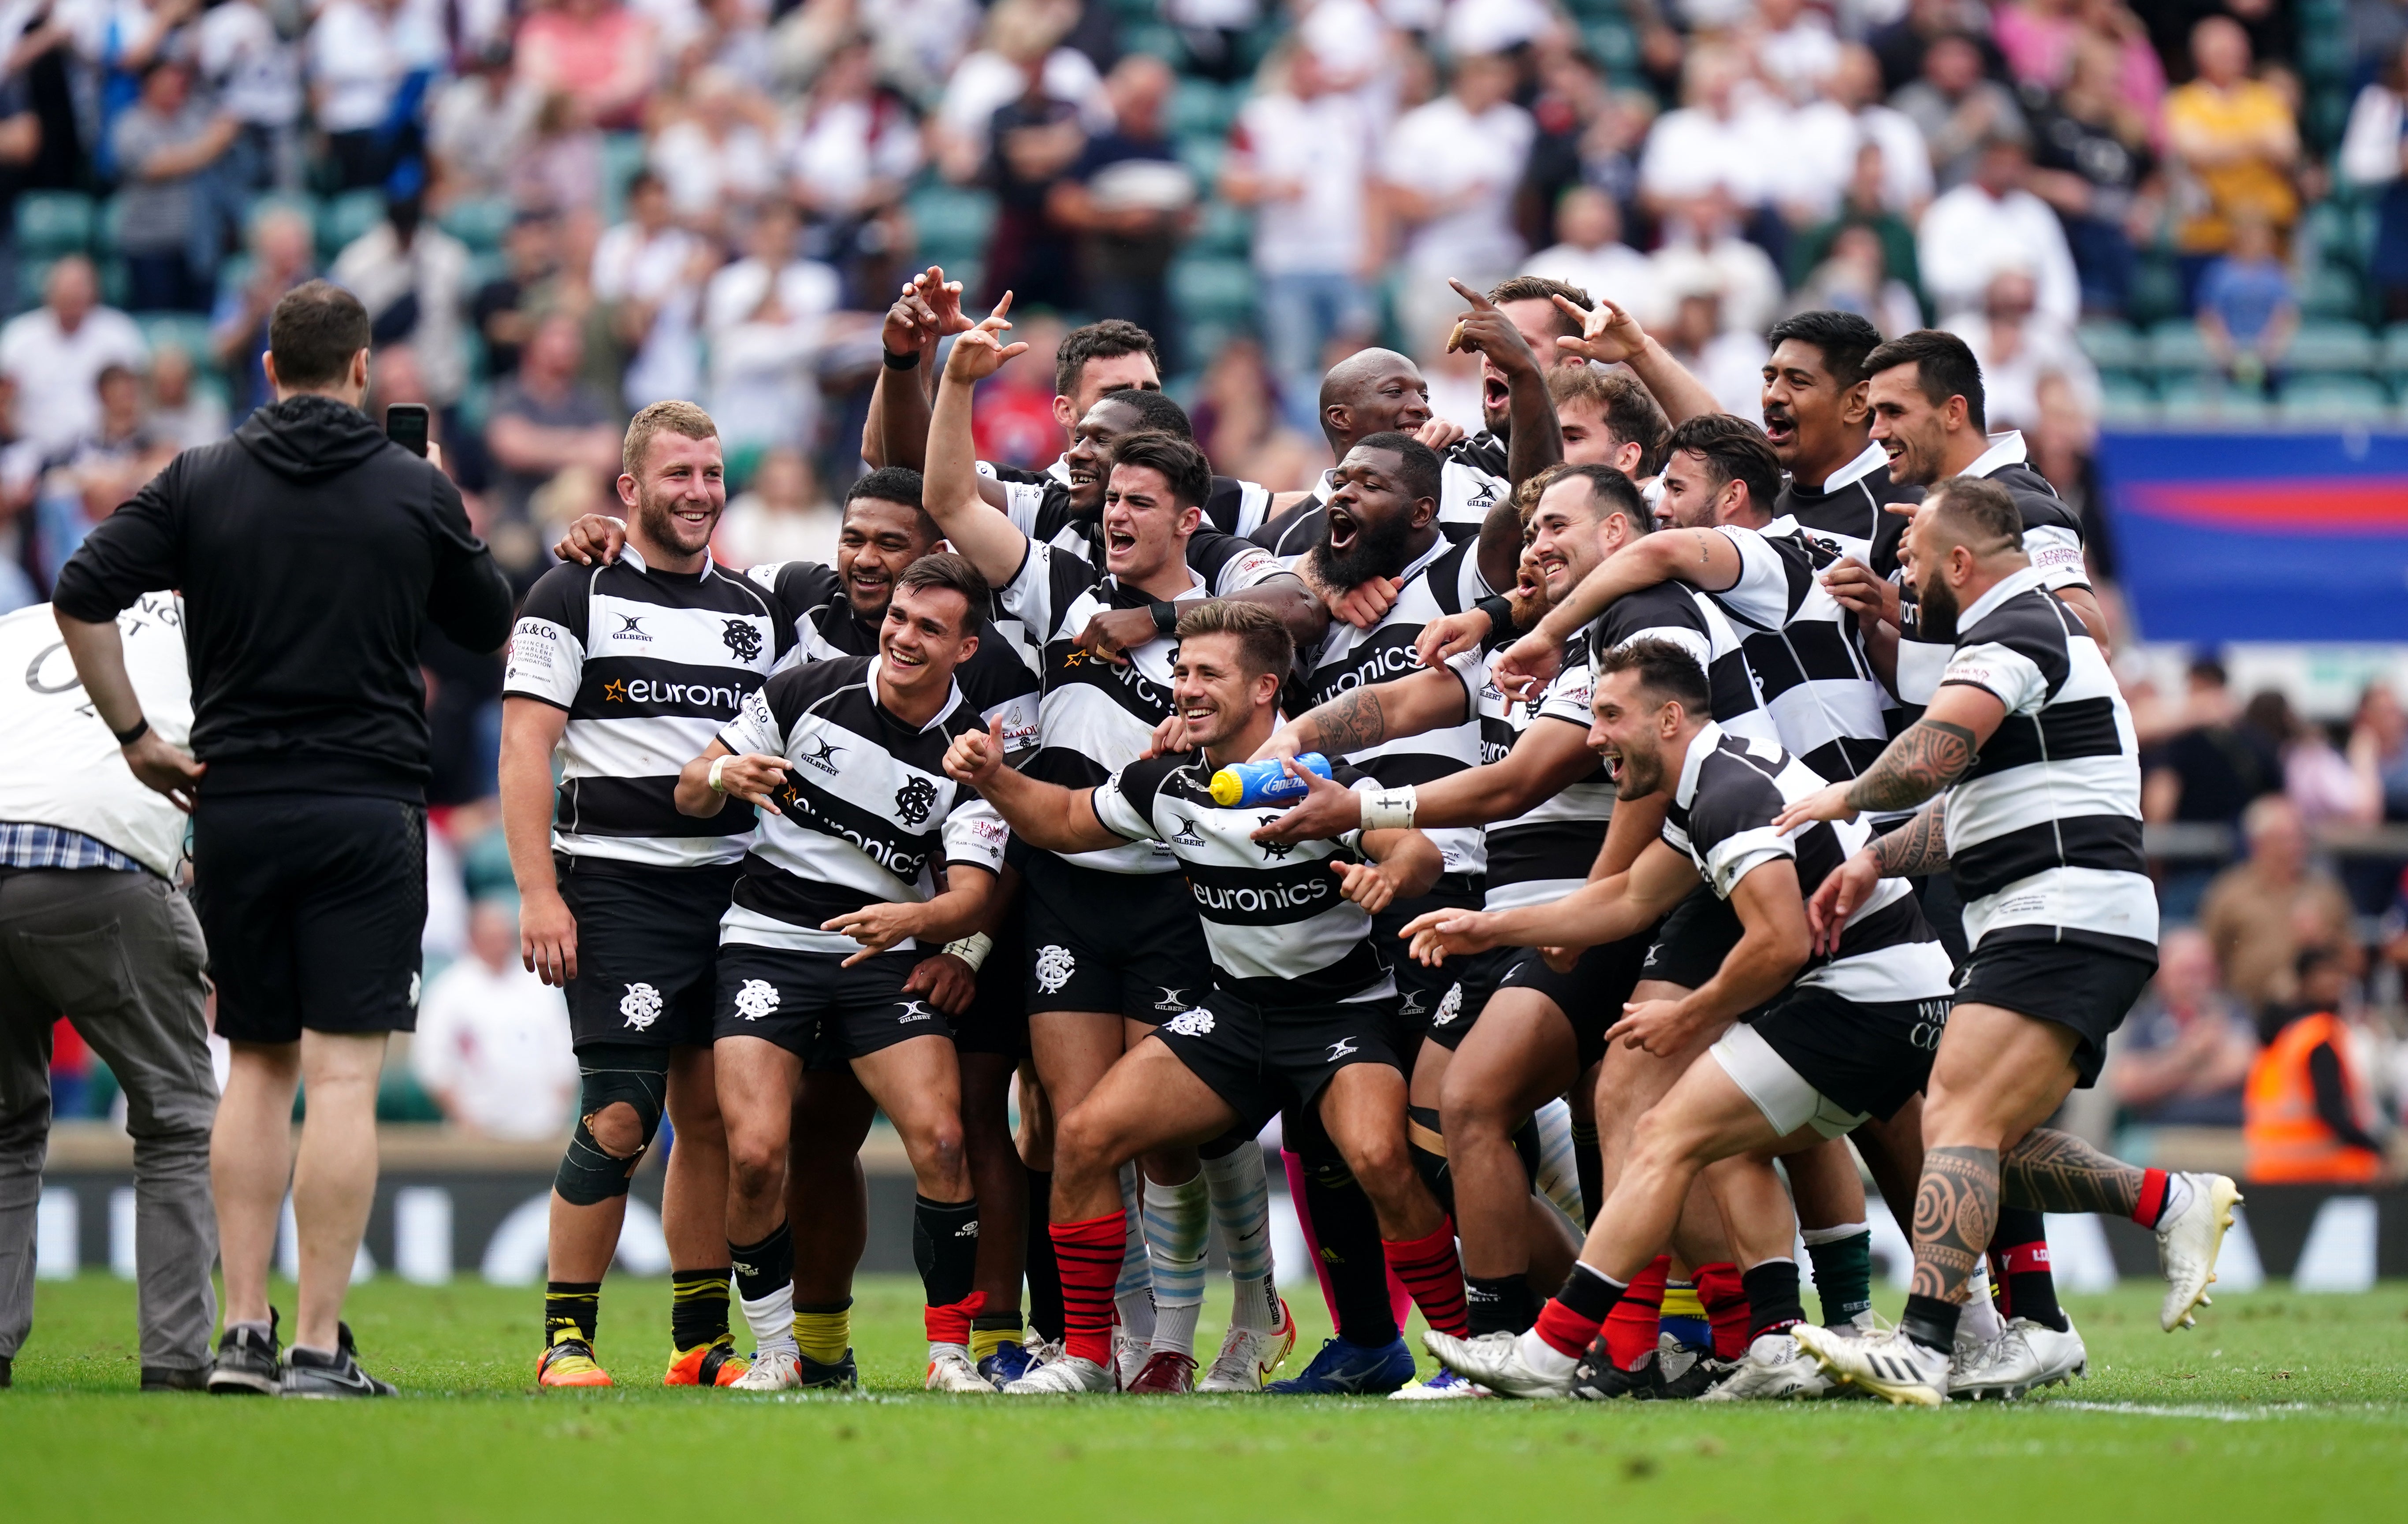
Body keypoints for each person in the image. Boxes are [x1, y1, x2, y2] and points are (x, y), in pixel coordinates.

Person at [50, 279, 514, 1398]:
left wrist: (136, 739)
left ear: (266, 368)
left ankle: (242, 1337)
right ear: (363, 373)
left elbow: (80, 590)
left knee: (253, 1068)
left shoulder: (202, 478)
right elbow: (487, 628)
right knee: (343, 1078)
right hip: (366, 807)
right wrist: (442, 505)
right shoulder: (408, 486)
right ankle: (318, 1345)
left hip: (237, 804)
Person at [1772, 476, 2238, 1405]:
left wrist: (1842, 799)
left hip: (2060, 910)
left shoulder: (2012, 627)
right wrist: (1874, 863)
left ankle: (1925, 1341)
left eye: (1909, 561)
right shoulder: (2020, 637)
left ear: (1958, 562)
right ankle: (2168, 1202)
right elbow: (1971, 811)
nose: (1898, 576)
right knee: (1980, 1132)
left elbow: (1932, 757)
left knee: (1952, 1116)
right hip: (2054, 910)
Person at [1403, 637, 1955, 1401]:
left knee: (1669, 1129)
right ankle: (1772, 1342)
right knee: (1721, 1141)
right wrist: (1489, 928)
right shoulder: (1711, 777)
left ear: (1668, 717)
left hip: (1869, 1003)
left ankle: (1551, 1349)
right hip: (1894, 1001)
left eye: (1606, 715)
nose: (1592, 736)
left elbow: (1779, 941)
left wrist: (1688, 1015)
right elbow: (1629, 899)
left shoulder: (1726, 794)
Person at [942, 598, 1460, 1396]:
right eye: (1179, 670)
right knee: (1081, 1137)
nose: (1183, 686)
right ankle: (1085, 1357)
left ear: (1264, 687)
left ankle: (1463, 1355)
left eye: (1204, 673)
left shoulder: (1316, 778)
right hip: (1235, 1015)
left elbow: (1413, 846)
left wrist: (1390, 874)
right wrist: (994, 777)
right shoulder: (1168, 781)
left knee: (1379, 1158)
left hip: (1340, 1015)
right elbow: (1063, 819)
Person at [926, 319, 1304, 1393]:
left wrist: (1160, 620)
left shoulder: (1225, 612)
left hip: (1180, 891)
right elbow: (953, 501)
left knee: (1172, 1136)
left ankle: (1234, 1316)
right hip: (1063, 890)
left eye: (1141, 503)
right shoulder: (1057, 585)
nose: (1116, 515)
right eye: (1110, 501)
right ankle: (1118, 1345)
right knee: (1078, 1126)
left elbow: (1303, 599)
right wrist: (957, 379)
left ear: (1188, 518)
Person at [499, 400, 795, 1391]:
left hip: (733, 888)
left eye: (711, 474)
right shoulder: (566, 592)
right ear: (628, 490)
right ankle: (566, 1340)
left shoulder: (754, 613)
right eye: (678, 475)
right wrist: (538, 892)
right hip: (614, 885)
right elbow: (523, 747)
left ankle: (697, 1340)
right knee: (623, 1111)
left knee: (710, 1115)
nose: (699, 493)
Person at [673, 553, 1008, 1393]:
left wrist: (914, 921)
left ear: (965, 648)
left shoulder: (969, 753)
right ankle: (778, 1352)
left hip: (879, 956)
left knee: (940, 1140)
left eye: (929, 627)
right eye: (898, 617)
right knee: (754, 1152)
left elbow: (972, 895)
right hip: (766, 942)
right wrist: (723, 774)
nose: (902, 635)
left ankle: (946, 1355)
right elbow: (689, 788)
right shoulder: (805, 689)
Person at [0, 592, 215, 1393]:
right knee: (177, 1118)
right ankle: (177, 1357)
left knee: (3, 1125)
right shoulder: (220, 615)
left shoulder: (20, 618)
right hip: (100, 859)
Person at [409, 897, 579, 1141]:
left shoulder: (539, 985)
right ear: (473, 938)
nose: (500, 945)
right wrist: (466, 1120)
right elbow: (432, 1061)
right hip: (474, 1135)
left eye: (504, 936)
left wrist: (557, 1112)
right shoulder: (449, 990)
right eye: (491, 937)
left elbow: (564, 1047)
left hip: (542, 1130)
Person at [2198, 795, 2358, 1014]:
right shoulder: (2229, 893)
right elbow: (2208, 958)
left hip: (2316, 1015)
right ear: (2258, 843)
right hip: (2248, 1015)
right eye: (2285, 839)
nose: (2295, 847)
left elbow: (2356, 963)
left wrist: (2323, 938)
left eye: (2300, 838)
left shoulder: (2325, 892)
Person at [2244, 949, 2386, 1184]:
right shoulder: (2317, 1035)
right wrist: (2377, 1148)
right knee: (2372, 1167)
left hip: (2266, 1166)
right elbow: (2331, 1111)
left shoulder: (2280, 1031)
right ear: (2304, 980)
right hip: (2313, 1166)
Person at [109, 59, 237, 314]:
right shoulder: (131, 125)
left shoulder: (192, 120)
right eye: (167, 83)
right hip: (150, 247)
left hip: (199, 245)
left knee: (201, 323)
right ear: (149, 85)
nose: (175, 89)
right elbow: (156, 166)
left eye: (179, 84)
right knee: (160, 323)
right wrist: (211, 145)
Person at [2108, 927, 2257, 1127]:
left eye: (2203, 971)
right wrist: (2190, 1053)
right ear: (2163, 976)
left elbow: (2240, 1068)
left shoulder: (2232, 1011)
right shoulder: (2147, 1018)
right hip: (2162, 1132)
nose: (2196, 982)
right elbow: (2128, 1085)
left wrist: (2160, 1081)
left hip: (2229, 1130)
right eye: (2186, 972)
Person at [0, 257, 147, 457]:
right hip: (32, 452)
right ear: (48, 295)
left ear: (94, 295)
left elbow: (140, 398)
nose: (72, 304)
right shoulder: (19, 336)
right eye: (66, 296)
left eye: (78, 296)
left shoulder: (119, 332)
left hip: (106, 452)